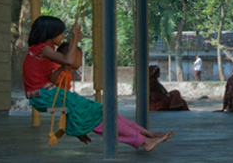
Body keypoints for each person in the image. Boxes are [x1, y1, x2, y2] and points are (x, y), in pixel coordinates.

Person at [24, 16, 174, 151]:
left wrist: (63, 67)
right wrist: (74, 38)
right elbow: (69, 60)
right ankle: (143, 141)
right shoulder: (43, 48)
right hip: (42, 95)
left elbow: (52, 78)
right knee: (95, 113)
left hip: (45, 93)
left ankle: (146, 135)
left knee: (100, 110)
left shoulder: (43, 50)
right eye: (61, 33)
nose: (63, 36)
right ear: (50, 34)